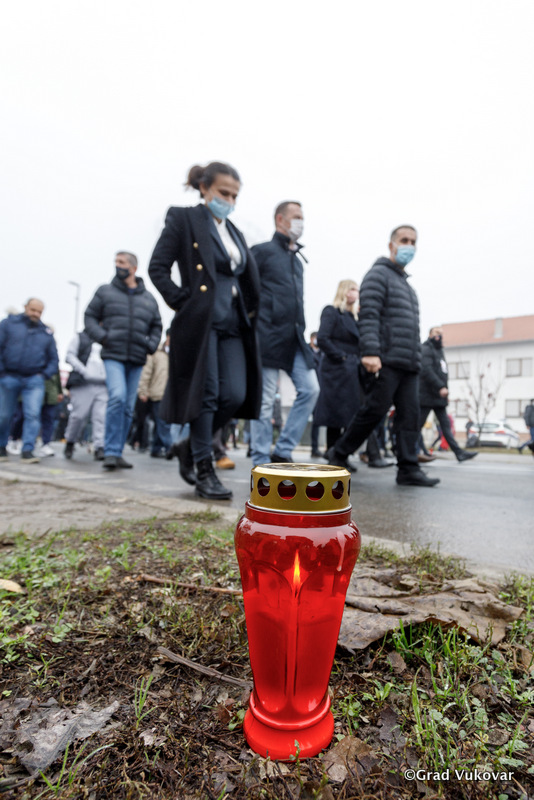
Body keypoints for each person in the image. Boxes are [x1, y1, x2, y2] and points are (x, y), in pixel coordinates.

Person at [148, 161, 261, 500]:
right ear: (204, 188)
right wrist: (184, 303)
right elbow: (157, 267)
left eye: (235, 195)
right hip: (201, 323)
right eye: (224, 193)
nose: (229, 200)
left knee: (235, 395)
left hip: (234, 323)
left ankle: (188, 446)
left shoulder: (234, 231)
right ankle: (204, 469)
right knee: (207, 395)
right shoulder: (183, 218)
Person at [326, 226, 440, 487]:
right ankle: (338, 453)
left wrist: (416, 360)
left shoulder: (407, 286)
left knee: (410, 415)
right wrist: (370, 351)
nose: (409, 245)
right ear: (391, 245)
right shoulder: (378, 275)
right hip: (386, 359)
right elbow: (369, 316)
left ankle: (408, 468)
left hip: (408, 363)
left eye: (413, 241)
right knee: (374, 411)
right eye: (404, 240)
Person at [250, 201, 319, 466]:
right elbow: (246, 290)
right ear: (280, 219)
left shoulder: (297, 262)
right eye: (296, 217)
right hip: (267, 336)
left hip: (294, 338)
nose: (301, 222)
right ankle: (259, 457)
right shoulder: (262, 252)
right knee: (265, 399)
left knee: (310, 389)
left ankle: (283, 449)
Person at [84, 252, 162, 470]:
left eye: (122, 262)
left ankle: (117, 452)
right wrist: (103, 337)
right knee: (117, 397)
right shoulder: (105, 291)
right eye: (116, 262)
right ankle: (109, 451)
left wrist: (150, 344)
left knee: (128, 408)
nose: (117, 266)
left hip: (137, 358)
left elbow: (157, 325)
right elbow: (89, 317)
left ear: (134, 268)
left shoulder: (148, 298)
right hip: (113, 355)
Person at [0, 299, 59, 463]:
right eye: (33, 310)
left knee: (33, 414)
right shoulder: (8, 325)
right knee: (4, 415)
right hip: (9, 376)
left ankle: (27, 449)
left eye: (39, 312)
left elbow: (54, 359)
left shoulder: (45, 333)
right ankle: (1, 446)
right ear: (25, 307)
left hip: (34, 379)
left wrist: (43, 375)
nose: (36, 314)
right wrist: (2, 372)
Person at [314, 281, 361, 457]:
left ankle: (340, 453)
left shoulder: (355, 317)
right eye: (353, 289)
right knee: (335, 414)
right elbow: (323, 338)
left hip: (352, 370)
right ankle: (333, 451)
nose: (356, 293)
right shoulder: (332, 312)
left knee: (350, 414)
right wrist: (342, 356)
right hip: (336, 369)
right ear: (345, 291)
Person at [419, 327, 477, 462]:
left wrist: (444, 390)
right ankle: (409, 449)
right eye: (436, 333)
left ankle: (459, 453)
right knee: (417, 425)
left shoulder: (439, 351)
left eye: (441, 334)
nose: (439, 336)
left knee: (446, 426)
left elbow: (442, 372)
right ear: (430, 334)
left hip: (438, 397)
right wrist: (440, 386)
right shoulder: (426, 349)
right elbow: (427, 370)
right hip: (427, 395)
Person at [63, 330, 108, 460]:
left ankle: (99, 447)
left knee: (100, 417)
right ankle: (70, 441)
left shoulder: (109, 338)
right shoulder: (81, 337)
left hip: (103, 385)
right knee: (78, 416)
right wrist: (83, 370)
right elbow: (69, 356)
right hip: (83, 383)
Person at [137, 330, 173, 458]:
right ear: (168, 337)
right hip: (158, 393)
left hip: (171, 395)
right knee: (163, 422)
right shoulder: (156, 352)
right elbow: (146, 372)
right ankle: (170, 448)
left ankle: (156, 448)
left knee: (161, 422)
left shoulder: (177, 353)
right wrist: (143, 391)